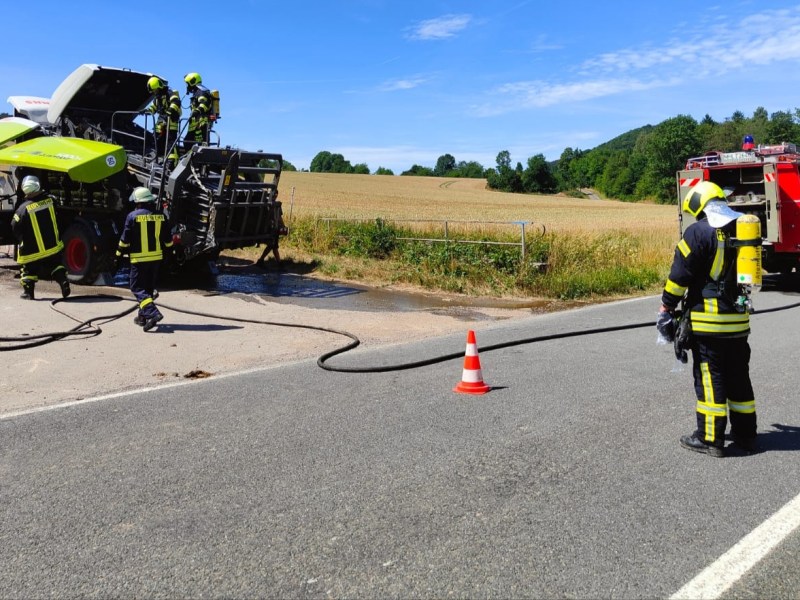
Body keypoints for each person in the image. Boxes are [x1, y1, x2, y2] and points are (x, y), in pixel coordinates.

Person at [657, 180, 757, 458]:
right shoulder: (743, 226)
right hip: (739, 320)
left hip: (709, 323)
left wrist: (666, 307)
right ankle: (746, 435)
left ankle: (710, 438)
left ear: (700, 205)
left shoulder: (698, 232)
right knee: (739, 377)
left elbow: (680, 277)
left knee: (711, 379)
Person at [116, 187, 173, 331]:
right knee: (147, 288)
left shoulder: (132, 216)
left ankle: (153, 314)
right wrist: (169, 254)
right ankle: (142, 317)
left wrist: (117, 255)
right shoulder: (161, 216)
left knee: (136, 287)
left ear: (139, 202)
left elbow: (125, 240)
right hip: (156, 260)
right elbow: (168, 241)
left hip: (138, 260)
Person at [11, 175, 70, 300]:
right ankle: (63, 281)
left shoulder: (21, 210)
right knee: (55, 265)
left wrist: (22, 239)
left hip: (31, 251)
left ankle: (28, 293)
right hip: (51, 246)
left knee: (28, 272)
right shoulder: (51, 201)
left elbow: (15, 227)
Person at [145, 76, 181, 168]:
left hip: (171, 123)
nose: (154, 93)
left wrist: (169, 111)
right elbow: (153, 107)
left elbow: (176, 102)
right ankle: (157, 159)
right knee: (156, 141)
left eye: (155, 90)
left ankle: (172, 162)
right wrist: (146, 111)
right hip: (161, 123)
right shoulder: (158, 97)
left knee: (170, 143)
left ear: (159, 87)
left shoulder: (170, 92)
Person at [182, 72, 212, 150]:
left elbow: (204, 103)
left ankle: (200, 161)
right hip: (195, 124)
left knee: (202, 145)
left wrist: (198, 111)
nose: (187, 86)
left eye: (187, 84)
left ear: (192, 82)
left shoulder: (201, 91)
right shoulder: (197, 92)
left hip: (201, 123)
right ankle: (190, 160)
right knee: (187, 142)